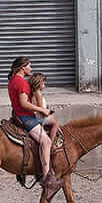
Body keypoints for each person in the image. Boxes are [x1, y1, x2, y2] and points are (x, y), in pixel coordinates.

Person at [7, 56, 62, 195]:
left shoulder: (13, 80)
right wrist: (42, 110)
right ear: (22, 67)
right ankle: (46, 178)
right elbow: (24, 103)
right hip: (26, 117)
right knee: (46, 141)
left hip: (19, 115)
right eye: (29, 66)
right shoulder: (21, 82)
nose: (31, 69)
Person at [29, 72, 59, 148]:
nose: (45, 85)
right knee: (56, 123)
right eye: (44, 84)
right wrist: (48, 113)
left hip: (35, 116)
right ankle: (51, 143)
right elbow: (41, 110)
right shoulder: (38, 94)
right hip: (40, 118)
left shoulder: (32, 93)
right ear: (39, 83)